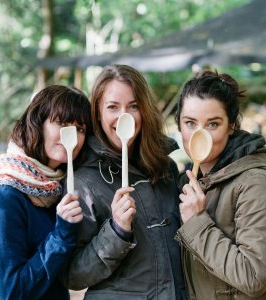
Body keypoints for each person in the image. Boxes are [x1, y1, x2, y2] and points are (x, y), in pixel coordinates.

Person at [63, 64, 186, 299]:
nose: (123, 116)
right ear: (97, 113)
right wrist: (116, 231)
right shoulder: (83, 183)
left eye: (133, 106)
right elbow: (73, 275)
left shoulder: (165, 168)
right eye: (112, 107)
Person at [0, 85, 92, 300]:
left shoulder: (54, 191)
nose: (73, 135)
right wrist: (62, 235)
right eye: (62, 123)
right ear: (37, 124)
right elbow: (13, 292)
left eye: (81, 128)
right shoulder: (1, 198)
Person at [174, 71, 266, 299]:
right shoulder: (191, 183)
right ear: (179, 125)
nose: (199, 134)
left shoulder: (255, 184)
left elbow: (253, 276)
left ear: (231, 126)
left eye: (213, 124)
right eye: (190, 123)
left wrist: (196, 222)